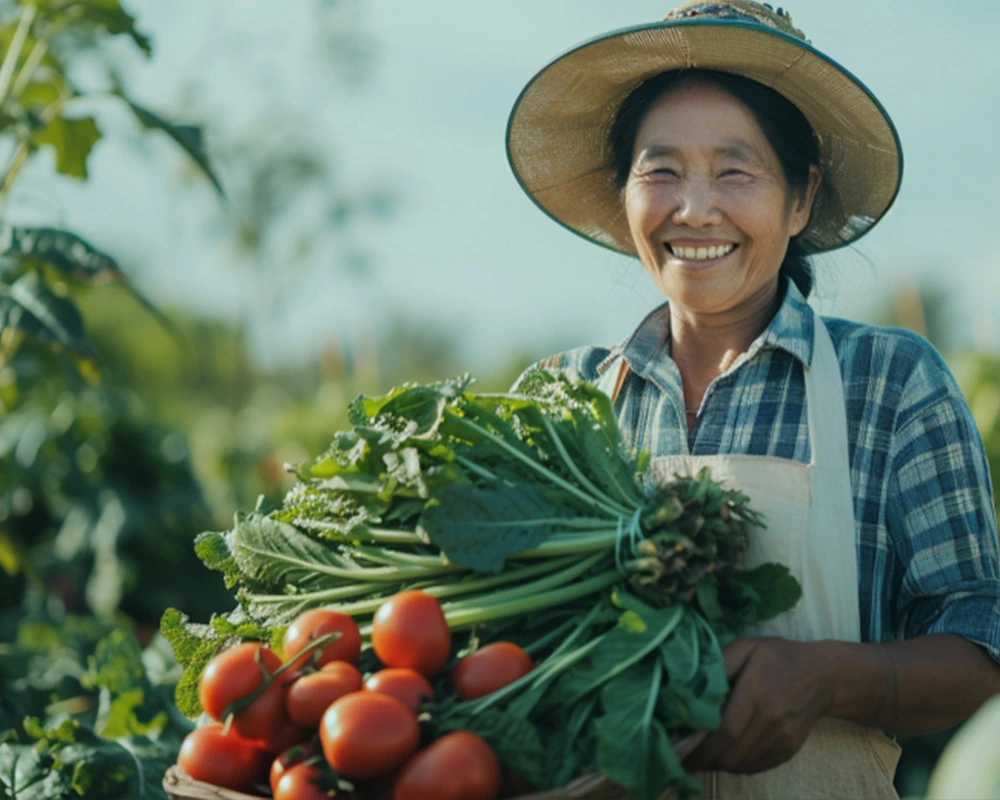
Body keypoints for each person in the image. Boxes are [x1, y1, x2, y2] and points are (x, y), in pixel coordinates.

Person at [507, 1, 1000, 798]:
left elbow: (983, 648)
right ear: (623, 193)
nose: (694, 209)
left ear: (801, 199)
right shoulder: (562, 400)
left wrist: (829, 678)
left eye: (735, 170)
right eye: (660, 169)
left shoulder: (892, 384)